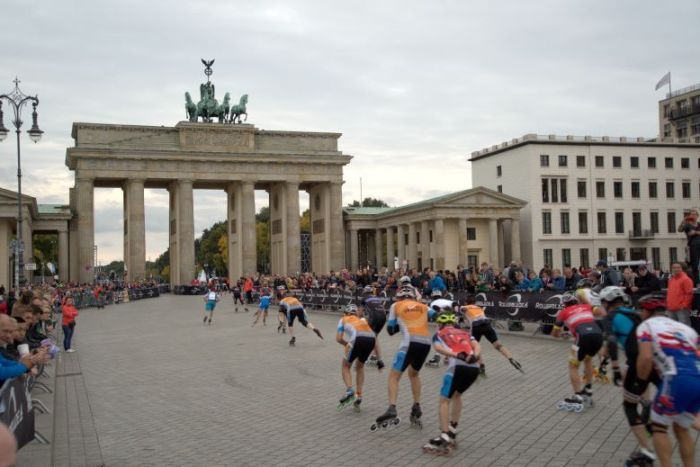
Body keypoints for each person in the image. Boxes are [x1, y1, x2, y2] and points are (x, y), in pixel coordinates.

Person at [637, 299, 700, 467]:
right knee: (681, 428)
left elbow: (646, 357)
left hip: (676, 378)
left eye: (641, 311)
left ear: (647, 312)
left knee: (659, 427)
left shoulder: (646, 326)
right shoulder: (686, 329)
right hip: (697, 376)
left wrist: (640, 382)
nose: (640, 314)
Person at [600, 286, 658, 466]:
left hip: (637, 360)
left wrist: (614, 368)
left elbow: (610, 341)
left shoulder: (610, 317)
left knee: (629, 407)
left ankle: (647, 451)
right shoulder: (634, 312)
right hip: (655, 359)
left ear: (606, 302)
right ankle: (648, 406)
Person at [371, 286, 435, 431]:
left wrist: (401, 322)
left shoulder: (396, 305)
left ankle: (392, 408)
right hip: (425, 343)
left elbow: (390, 330)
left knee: (394, 377)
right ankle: (416, 406)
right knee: (414, 374)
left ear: (399, 297)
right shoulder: (423, 306)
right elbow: (437, 315)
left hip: (409, 343)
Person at [422, 312, 480, 456]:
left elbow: (438, 349)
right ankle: (453, 430)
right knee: (457, 395)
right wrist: (475, 356)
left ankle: (444, 436)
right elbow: (476, 345)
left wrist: (457, 355)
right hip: (474, 367)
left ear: (440, 324)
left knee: (444, 401)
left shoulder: (440, 333)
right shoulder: (464, 332)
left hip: (457, 367)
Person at [552, 293, 604, 410]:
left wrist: (563, 334)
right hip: (598, 335)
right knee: (588, 359)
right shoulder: (586, 306)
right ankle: (588, 388)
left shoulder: (563, 312)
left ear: (564, 305)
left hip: (582, 337)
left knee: (573, 365)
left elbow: (554, 334)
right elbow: (600, 312)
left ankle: (578, 395)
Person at [460, 295, 523, 376]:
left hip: (476, 327)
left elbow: (461, 310)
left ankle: (481, 367)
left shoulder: (465, 307)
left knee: (476, 347)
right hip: (487, 325)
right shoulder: (478, 307)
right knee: (497, 345)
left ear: (466, 302)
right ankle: (510, 358)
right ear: (475, 302)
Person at [336, 304, 376, 412]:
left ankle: (350, 391)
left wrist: (347, 344)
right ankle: (359, 395)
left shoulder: (343, 319)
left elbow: (339, 339)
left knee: (345, 366)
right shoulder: (362, 320)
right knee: (360, 366)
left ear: (346, 313)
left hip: (357, 339)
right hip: (371, 339)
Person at [424, 290, 457, 367]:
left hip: (442, 322)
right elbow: (455, 304)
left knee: (439, 339)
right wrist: (456, 312)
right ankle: (448, 357)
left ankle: (436, 359)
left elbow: (435, 311)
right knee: (449, 338)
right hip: (452, 320)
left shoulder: (432, 303)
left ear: (432, 297)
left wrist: (441, 312)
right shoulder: (446, 300)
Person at [362, 295, 387, 370]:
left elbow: (360, 311)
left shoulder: (364, 298)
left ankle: (377, 359)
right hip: (383, 317)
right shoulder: (377, 298)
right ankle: (375, 357)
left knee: (370, 337)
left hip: (376, 317)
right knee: (374, 337)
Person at [666, 262, 694, 326]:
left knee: (684, 328)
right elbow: (669, 293)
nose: (676, 269)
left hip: (681, 310)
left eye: (678, 267)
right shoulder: (671, 280)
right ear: (671, 269)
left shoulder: (686, 279)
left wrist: (684, 306)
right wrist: (668, 304)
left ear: (682, 269)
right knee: (672, 328)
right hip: (671, 308)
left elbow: (689, 294)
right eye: (674, 268)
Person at [678, 208, 700, 285]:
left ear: (697, 216)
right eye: (691, 214)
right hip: (692, 247)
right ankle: (696, 283)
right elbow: (679, 229)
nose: (693, 216)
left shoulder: (699, 224)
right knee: (694, 265)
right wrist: (684, 220)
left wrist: (696, 232)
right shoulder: (687, 225)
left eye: (694, 214)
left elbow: (697, 232)